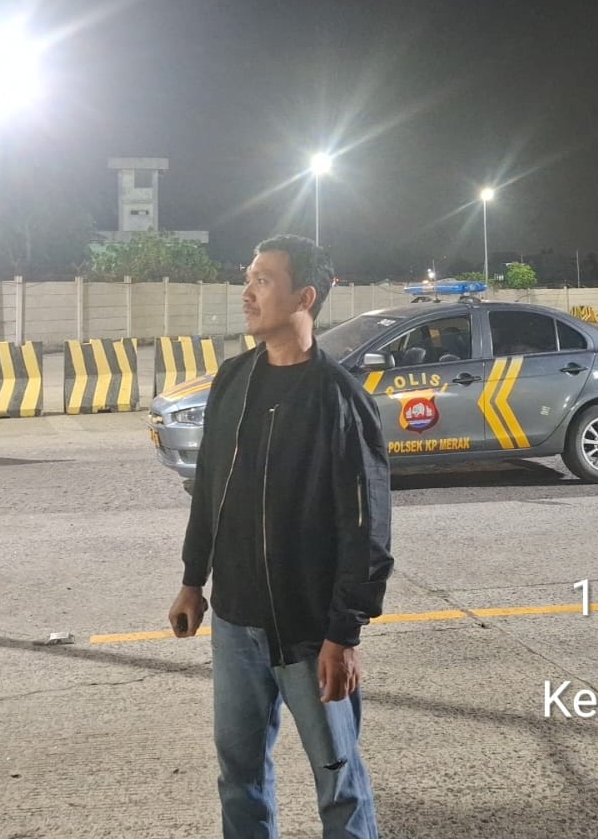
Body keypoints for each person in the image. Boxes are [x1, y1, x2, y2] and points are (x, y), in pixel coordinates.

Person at [169, 234, 393, 839]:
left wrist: (344, 634)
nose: (247, 292)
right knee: (238, 774)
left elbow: (366, 528)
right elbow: (210, 487)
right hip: (234, 623)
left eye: (263, 280)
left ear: (304, 297)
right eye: (248, 278)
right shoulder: (233, 381)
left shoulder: (340, 399)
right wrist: (192, 580)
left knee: (338, 783)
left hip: (308, 633)